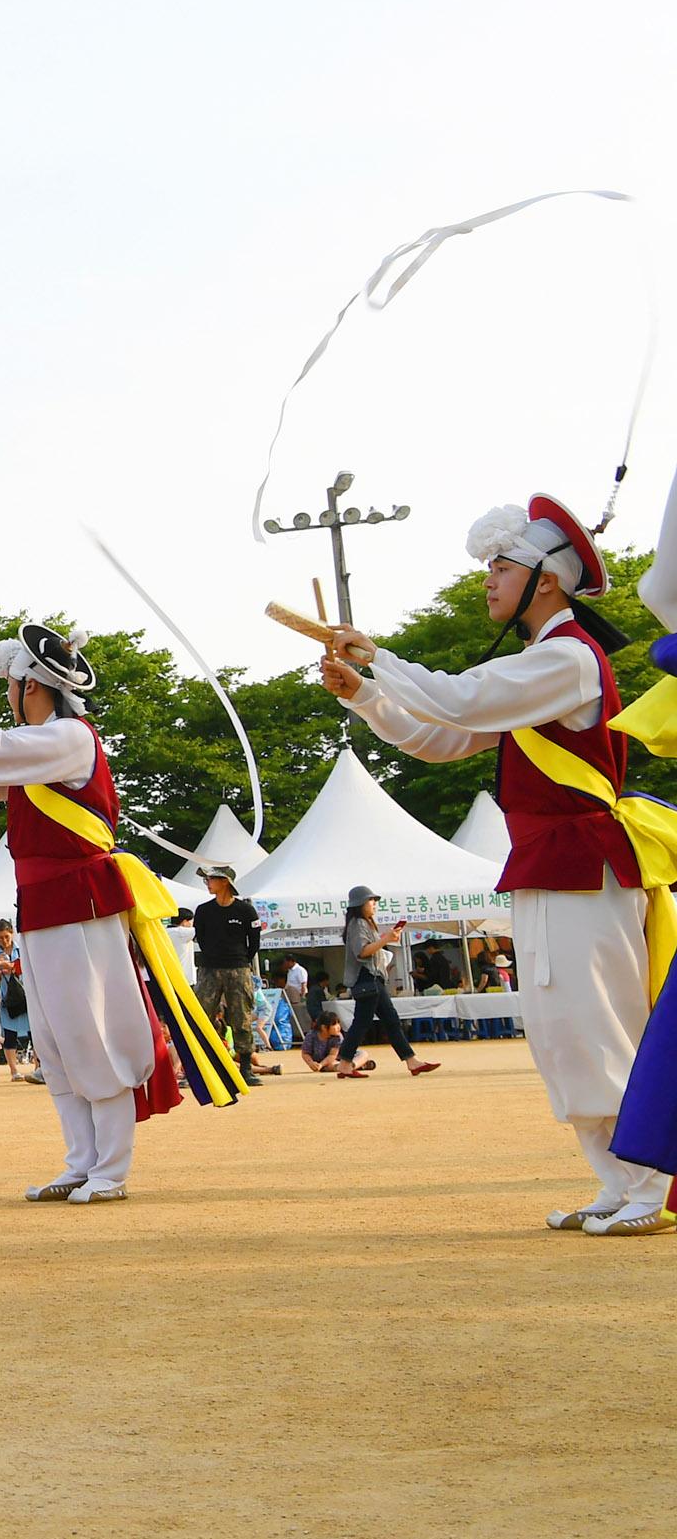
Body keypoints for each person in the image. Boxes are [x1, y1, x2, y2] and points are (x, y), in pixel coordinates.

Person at [321, 494, 668, 1235]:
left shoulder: (568, 658)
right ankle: (616, 1180)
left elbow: (459, 702)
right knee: (563, 1027)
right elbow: (443, 736)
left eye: (500, 567)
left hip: (585, 863)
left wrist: (378, 657)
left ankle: (650, 1188)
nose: (488, 581)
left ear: (545, 579)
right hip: (549, 864)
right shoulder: (539, 666)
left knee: (599, 1024)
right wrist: (368, 697)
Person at [0, 622, 245, 1203]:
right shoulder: (35, 758)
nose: (7, 695)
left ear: (29, 685)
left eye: (11, 684)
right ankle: (81, 1160)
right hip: (46, 911)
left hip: (83, 903)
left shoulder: (70, 737)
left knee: (92, 1032)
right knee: (55, 1040)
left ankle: (112, 1168)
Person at [335, 886, 437, 1080]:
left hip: (372, 979)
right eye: (370, 901)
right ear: (360, 904)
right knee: (367, 1023)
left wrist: (385, 939)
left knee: (387, 1021)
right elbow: (362, 951)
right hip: (367, 978)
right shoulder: (358, 923)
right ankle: (346, 1063)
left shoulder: (362, 923)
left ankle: (411, 1061)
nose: (374, 904)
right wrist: (386, 939)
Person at [190, 866, 275, 1081]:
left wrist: (242, 959)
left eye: (211, 879)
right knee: (203, 1014)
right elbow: (201, 937)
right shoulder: (203, 910)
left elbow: (254, 941)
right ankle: (210, 1062)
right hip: (209, 969)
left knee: (242, 1017)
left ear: (225, 881)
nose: (208, 883)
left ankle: (245, 1067)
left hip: (238, 968)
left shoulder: (245, 911)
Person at [0, 919, 39, 1082]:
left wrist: (15, 967)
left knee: (35, 1033)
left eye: (6, 936)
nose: (4, 940)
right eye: (0, 938)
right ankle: (14, 1071)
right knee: (10, 1035)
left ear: (12, 933)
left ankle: (38, 1067)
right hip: (8, 999)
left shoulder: (23, 950)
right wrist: (0, 965)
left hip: (27, 995)